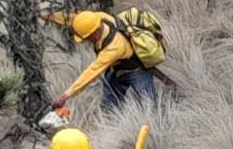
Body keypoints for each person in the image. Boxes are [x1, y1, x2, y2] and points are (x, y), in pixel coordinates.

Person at [45, 10, 177, 111]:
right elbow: (72, 19)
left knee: (151, 105)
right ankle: (112, 129)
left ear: (95, 32)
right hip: (116, 70)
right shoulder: (99, 18)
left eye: (86, 37)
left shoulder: (113, 47)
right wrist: (43, 14)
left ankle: (167, 120)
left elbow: (91, 73)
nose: (84, 40)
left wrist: (65, 95)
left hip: (137, 71)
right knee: (109, 107)